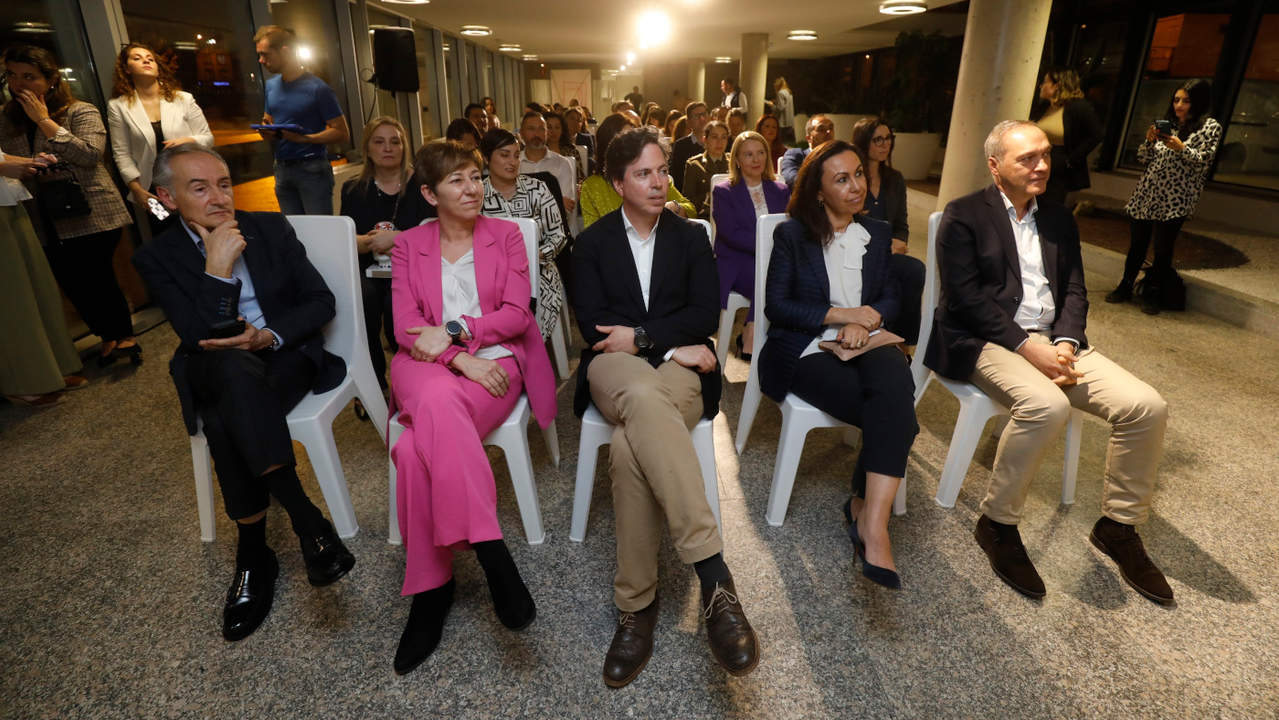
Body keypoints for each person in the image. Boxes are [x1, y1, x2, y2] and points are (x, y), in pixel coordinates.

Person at [924, 120, 1173, 605]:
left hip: (1055, 342)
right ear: (996, 167)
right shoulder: (964, 215)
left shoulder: (1058, 218)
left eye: (1045, 155)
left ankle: (1118, 527)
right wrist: (1026, 346)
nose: (1042, 165)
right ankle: (997, 524)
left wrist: (1065, 343)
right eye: (1027, 158)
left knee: (1147, 407)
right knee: (1046, 406)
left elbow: (1075, 289)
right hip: (986, 340)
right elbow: (965, 300)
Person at [133, 144, 356, 641]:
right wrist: (216, 268)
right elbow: (200, 337)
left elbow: (321, 301)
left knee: (222, 417)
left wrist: (266, 336)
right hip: (215, 363)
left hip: (282, 355)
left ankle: (254, 552)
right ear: (167, 198)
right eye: (199, 188)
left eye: (224, 184)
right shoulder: (156, 256)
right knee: (228, 367)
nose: (219, 198)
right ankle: (307, 522)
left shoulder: (270, 228)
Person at [571, 125, 759, 688]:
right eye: (643, 174)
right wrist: (666, 343)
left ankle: (636, 606)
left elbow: (704, 314)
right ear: (617, 183)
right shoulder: (592, 244)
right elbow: (594, 327)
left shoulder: (690, 238)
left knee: (630, 447)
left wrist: (644, 338)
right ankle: (714, 575)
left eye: (662, 171)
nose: (658, 183)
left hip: (677, 372)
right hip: (615, 367)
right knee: (640, 397)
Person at [388, 140, 556, 675]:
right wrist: (459, 359)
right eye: (457, 180)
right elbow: (405, 326)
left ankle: (431, 590)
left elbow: (516, 315)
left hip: (497, 363)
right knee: (437, 396)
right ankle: (490, 550)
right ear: (429, 194)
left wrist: (459, 331)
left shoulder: (505, 235)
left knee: (413, 451)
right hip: (427, 364)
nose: (472, 189)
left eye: (476, 177)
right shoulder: (408, 245)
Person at [757, 140, 917, 588]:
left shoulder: (876, 233)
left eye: (859, 174)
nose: (856, 186)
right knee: (896, 412)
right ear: (818, 191)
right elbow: (777, 307)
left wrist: (869, 320)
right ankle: (862, 510)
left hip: (867, 340)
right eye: (842, 179)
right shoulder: (793, 235)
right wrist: (842, 316)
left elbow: (889, 295)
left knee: (893, 380)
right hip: (807, 347)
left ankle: (872, 522)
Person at [1, 45, 139, 368]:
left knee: (98, 275)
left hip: (90, 209)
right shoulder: (5, 120)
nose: (19, 84)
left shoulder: (80, 111)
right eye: (12, 75)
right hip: (42, 216)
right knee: (72, 282)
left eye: (29, 76)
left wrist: (44, 121)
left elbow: (89, 155)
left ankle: (124, 337)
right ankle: (107, 337)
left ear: (51, 80)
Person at [339, 117, 436, 391]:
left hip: (413, 268)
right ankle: (374, 384)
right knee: (363, 300)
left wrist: (398, 239)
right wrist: (367, 242)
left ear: (404, 147)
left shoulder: (423, 186)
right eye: (379, 142)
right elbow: (345, 237)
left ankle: (411, 380)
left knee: (396, 305)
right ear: (367, 149)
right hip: (368, 267)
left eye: (395, 141)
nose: (388, 148)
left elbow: (436, 232)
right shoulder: (353, 189)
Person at [1111, 79, 1221, 315]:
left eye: (1186, 101)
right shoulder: (1168, 124)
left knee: (1163, 247)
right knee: (1137, 244)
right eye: (1176, 100)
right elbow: (1143, 158)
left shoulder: (1210, 127)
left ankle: (1154, 293)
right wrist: (1149, 141)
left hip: (1176, 197)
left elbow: (1204, 161)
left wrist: (1182, 148)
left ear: (1198, 102)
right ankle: (1125, 286)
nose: (1179, 105)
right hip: (1148, 192)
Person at [0, 147, 86, 406]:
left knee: (37, 287)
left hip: (8, 198)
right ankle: (24, 382)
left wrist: (28, 162)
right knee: (11, 296)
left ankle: (51, 370)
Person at [107, 42, 213, 236]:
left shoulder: (183, 99)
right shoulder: (118, 106)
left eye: (150, 58)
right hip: (152, 191)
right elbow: (121, 153)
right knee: (167, 237)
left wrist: (187, 141)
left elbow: (207, 138)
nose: (146, 61)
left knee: (203, 231)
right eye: (137, 58)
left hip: (191, 181)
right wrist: (137, 189)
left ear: (158, 67)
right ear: (127, 69)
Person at [480, 128, 568, 342]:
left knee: (531, 297)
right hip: (491, 275)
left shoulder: (537, 189)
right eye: (504, 155)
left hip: (538, 271)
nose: (513, 162)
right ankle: (500, 348)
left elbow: (558, 235)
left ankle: (528, 348)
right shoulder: (477, 195)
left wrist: (535, 257)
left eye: (516, 155)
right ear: (487, 158)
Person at [254, 25, 350, 215]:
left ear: (285, 51)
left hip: (312, 169)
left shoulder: (318, 88)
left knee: (319, 229)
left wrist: (305, 139)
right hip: (281, 168)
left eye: (265, 54)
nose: (261, 60)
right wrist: (267, 129)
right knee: (292, 229)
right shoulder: (271, 86)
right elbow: (269, 120)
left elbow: (342, 132)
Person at [711, 130, 790, 359]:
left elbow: (788, 228)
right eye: (748, 154)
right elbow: (730, 234)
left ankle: (752, 329)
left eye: (760, 153)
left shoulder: (781, 190)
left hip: (774, 260)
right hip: (737, 263)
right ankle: (754, 332)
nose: (756, 159)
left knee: (784, 277)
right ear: (737, 159)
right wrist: (769, 248)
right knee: (770, 278)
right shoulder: (724, 191)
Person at [851, 117, 926, 350]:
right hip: (856, 250)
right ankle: (897, 340)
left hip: (888, 251)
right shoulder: (853, 177)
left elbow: (901, 224)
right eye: (878, 140)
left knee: (911, 271)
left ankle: (903, 343)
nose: (885, 144)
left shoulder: (895, 179)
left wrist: (899, 241)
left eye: (888, 138)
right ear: (864, 142)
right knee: (911, 270)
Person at [579, 113, 694, 228]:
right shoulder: (592, 187)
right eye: (625, 143)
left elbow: (690, 209)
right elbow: (593, 234)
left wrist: (673, 206)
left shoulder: (655, 178)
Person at [1032, 68, 1103, 208]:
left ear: (1057, 85)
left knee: (1049, 206)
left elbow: (1096, 135)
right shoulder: (1045, 107)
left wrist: (1070, 160)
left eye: (1045, 82)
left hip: (1058, 164)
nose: (1041, 86)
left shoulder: (1078, 107)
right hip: (1037, 159)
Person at [517, 111, 577, 217]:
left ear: (546, 133)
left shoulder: (562, 163)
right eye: (531, 129)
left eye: (541, 129)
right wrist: (555, 201)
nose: (536, 134)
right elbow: (509, 205)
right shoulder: (513, 164)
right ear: (521, 133)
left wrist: (525, 203)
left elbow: (566, 209)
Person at [682, 120, 731, 219]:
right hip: (705, 218)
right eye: (714, 137)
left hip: (731, 216)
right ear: (705, 139)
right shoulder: (694, 165)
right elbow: (688, 202)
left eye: (724, 137)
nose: (719, 142)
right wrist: (708, 196)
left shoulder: (734, 162)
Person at [780, 113, 834, 187]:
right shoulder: (796, 155)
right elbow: (792, 179)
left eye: (831, 128)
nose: (828, 132)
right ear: (809, 138)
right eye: (821, 129)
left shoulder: (840, 155)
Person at [670, 101, 710, 191]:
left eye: (704, 114)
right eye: (697, 116)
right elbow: (676, 177)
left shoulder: (718, 142)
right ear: (688, 122)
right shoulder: (681, 146)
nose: (702, 119)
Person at [545, 110, 586, 186]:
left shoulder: (572, 152)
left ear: (562, 130)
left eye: (557, 127)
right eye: (549, 127)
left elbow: (580, 179)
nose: (553, 131)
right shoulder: (539, 152)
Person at [773, 76, 795, 145]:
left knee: (781, 142)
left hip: (782, 122)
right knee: (788, 143)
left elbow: (780, 108)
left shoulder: (780, 93)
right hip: (789, 121)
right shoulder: (788, 92)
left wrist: (772, 106)